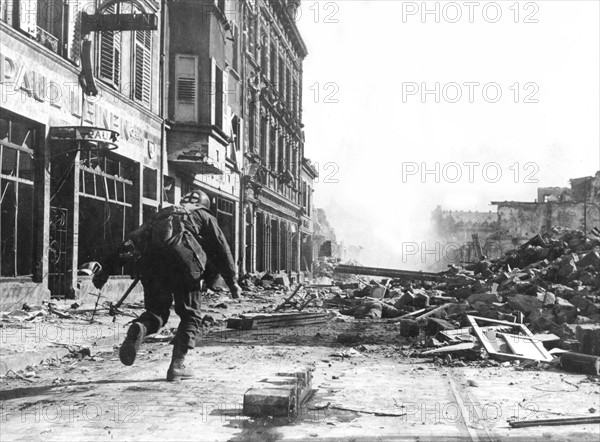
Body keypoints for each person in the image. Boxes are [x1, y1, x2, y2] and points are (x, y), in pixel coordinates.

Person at [92, 190, 242, 381]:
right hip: (183, 266)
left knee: (156, 312)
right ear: (204, 204)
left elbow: (132, 241)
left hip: (151, 266)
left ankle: (141, 327)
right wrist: (232, 282)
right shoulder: (204, 215)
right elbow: (221, 248)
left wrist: (106, 270)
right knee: (191, 315)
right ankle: (177, 366)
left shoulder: (163, 213)